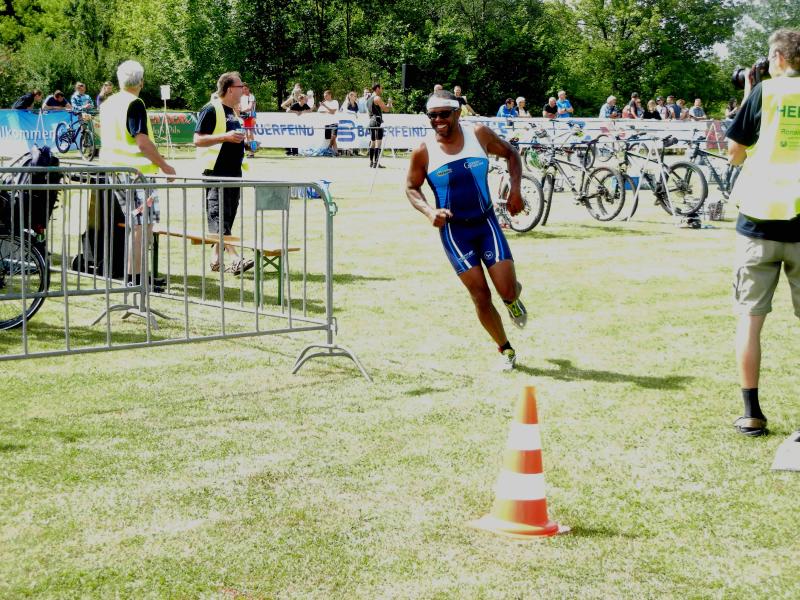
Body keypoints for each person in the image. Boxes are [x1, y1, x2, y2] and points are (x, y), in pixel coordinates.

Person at [406, 91, 528, 371]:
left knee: (507, 289)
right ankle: (506, 349)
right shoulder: (423, 150)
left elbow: (511, 154)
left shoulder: (479, 135)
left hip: (486, 224)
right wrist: (429, 211)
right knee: (481, 296)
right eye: (432, 116)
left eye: (444, 114)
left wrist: (516, 190)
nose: (438, 120)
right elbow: (411, 187)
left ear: (458, 113)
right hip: (455, 233)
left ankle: (512, 298)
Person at [725, 28, 800, 437]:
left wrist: (749, 94)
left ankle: (751, 413)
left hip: (759, 220)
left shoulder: (764, 92)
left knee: (750, 320)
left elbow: (734, 154)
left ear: (779, 58)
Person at [99, 60, 176, 286]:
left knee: (138, 226)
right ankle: (137, 278)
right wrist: (165, 166)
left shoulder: (108, 103)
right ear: (141, 82)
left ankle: (136, 276)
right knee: (142, 227)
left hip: (113, 170)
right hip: (136, 174)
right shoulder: (134, 103)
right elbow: (141, 142)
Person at [194, 71, 254, 276]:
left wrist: (246, 145)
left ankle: (216, 259)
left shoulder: (233, 112)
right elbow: (197, 140)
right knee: (218, 215)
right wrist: (226, 137)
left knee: (227, 216)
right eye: (240, 87)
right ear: (229, 89)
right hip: (216, 172)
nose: (243, 90)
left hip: (233, 172)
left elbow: (232, 138)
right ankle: (235, 258)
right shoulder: (211, 109)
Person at [366, 83, 392, 168]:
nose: (382, 90)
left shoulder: (369, 99)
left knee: (372, 142)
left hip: (371, 121)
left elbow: (369, 112)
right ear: (377, 88)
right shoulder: (377, 98)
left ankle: (371, 162)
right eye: (381, 88)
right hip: (377, 121)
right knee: (378, 143)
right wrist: (389, 103)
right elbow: (386, 109)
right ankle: (376, 163)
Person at [317, 89, 340, 155]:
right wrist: (327, 111)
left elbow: (333, 112)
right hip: (327, 123)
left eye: (326, 96)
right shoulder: (324, 103)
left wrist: (325, 106)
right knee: (331, 138)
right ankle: (336, 152)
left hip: (334, 122)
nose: (325, 97)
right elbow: (319, 111)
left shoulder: (335, 102)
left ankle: (329, 147)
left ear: (330, 95)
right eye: (324, 96)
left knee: (334, 136)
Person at [239, 83, 257, 157]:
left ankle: (252, 152)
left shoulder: (251, 96)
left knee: (250, 135)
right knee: (246, 135)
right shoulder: (241, 97)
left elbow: (250, 108)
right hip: (244, 117)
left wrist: (241, 111)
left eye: (245, 89)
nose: (244, 90)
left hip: (251, 117)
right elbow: (239, 106)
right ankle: (249, 151)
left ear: (248, 89)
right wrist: (240, 112)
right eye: (243, 89)